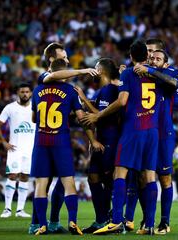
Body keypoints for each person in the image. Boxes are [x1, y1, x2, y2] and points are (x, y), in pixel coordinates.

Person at [82, 40, 177, 235]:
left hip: (133, 128)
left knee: (120, 172)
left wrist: (98, 115)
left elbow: (122, 100)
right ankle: (150, 224)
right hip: (152, 132)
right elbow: (175, 81)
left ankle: (117, 220)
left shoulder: (129, 73)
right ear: (148, 56)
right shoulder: (156, 74)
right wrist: (152, 71)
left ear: (131, 55)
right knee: (150, 175)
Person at [29, 42, 96, 234]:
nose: (67, 61)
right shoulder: (64, 88)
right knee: (68, 183)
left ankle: (42, 224)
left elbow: (35, 118)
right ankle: (72, 221)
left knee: (41, 184)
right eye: (64, 58)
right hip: (61, 141)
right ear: (53, 61)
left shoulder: (37, 90)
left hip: (41, 141)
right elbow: (81, 117)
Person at [124, 39, 178, 235]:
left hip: (163, 132)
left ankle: (165, 222)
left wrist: (163, 98)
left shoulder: (167, 75)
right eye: (149, 54)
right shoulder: (137, 75)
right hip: (144, 130)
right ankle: (146, 220)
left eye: (156, 55)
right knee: (143, 176)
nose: (152, 58)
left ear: (163, 60)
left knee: (165, 177)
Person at [75, 58, 122, 233]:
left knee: (109, 181)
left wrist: (83, 98)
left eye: (95, 68)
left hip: (111, 140)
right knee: (93, 177)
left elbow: (103, 116)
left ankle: (115, 219)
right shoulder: (101, 91)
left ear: (101, 71)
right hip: (99, 140)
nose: (93, 71)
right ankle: (101, 219)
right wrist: (92, 139)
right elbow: (92, 115)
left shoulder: (112, 91)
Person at [0, 82, 35, 218]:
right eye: (22, 92)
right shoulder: (10, 108)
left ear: (31, 93)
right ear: (18, 93)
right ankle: (7, 209)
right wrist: (3, 142)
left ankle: (20, 210)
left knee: (25, 177)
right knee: (12, 175)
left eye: (27, 92)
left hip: (31, 149)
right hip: (15, 149)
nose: (25, 94)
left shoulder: (36, 107)